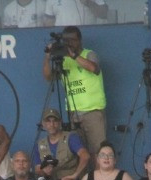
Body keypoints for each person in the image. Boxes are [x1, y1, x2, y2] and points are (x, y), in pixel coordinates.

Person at [42, 26, 106, 159]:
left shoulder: (89, 54)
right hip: (73, 114)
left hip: (92, 112)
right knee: (79, 154)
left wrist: (73, 55)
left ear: (80, 40)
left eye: (73, 40)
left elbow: (93, 68)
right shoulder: (63, 60)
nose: (70, 43)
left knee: (98, 152)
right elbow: (49, 77)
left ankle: (99, 179)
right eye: (66, 41)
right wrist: (48, 57)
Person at [32, 107, 89, 180]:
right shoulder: (39, 144)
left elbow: (85, 156)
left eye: (55, 121)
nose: (52, 124)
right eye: (48, 121)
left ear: (60, 123)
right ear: (43, 124)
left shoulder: (70, 137)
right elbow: (37, 169)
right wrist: (44, 171)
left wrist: (75, 175)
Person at [43, 0, 108, 26]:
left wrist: (89, 3)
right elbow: (49, 23)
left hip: (88, 35)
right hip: (63, 37)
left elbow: (104, 14)